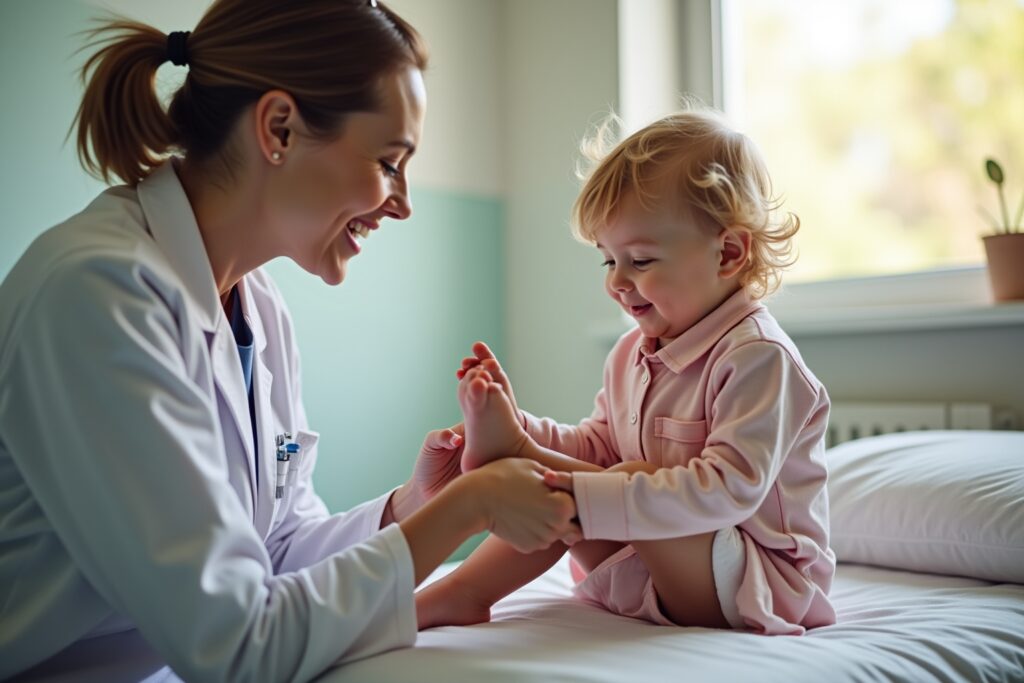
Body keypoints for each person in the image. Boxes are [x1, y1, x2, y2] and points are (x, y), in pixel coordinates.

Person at [0, 1, 580, 680]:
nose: (404, 201)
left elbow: (274, 548)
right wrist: (464, 511)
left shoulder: (258, 307)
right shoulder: (98, 296)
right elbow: (240, 644)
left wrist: (412, 506)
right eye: (390, 161)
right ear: (278, 128)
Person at [415, 109, 837, 635]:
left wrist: (587, 496)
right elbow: (596, 448)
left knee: (619, 482)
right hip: (661, 565)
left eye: (639, 261)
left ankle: (518, 457)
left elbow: (728, 489)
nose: (617, 281)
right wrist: (532, 434)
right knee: (560, 485)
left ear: (728, 253)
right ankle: (462, 590)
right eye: (607, 260)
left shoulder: (758, 357)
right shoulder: (631, 354)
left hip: (757, 583)